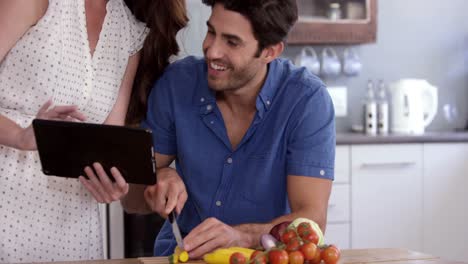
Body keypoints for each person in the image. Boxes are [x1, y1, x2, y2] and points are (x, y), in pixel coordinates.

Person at [84, 0, 335, 259]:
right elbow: (132, 201)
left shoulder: (305, 101)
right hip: (181, 255)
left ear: (270, 52)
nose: (212, 51)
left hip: (263, 257)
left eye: (232, 42)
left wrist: (241, 236)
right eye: (211, 31)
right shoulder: (177, 84)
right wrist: (159, 179)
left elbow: (311, 221)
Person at [0, 0, 187, 262]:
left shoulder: (129, 32)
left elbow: (109, 144)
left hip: (72, 226)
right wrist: (19, 135)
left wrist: (112, 182)